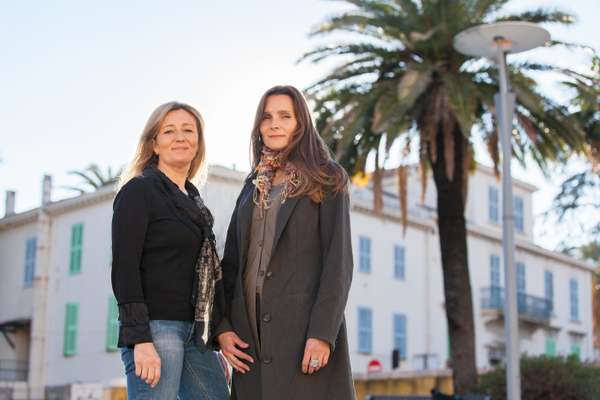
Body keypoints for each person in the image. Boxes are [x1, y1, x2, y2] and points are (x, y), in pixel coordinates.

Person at [216, 85, 356, 400]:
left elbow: (339, 262)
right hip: (249, 340)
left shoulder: (327, 177)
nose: (274, 124)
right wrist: (223, 327)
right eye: (266, 117)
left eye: (284, 116)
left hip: (303, 336)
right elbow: (232, 263)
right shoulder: (251, 185)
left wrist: (321, 334)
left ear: (300, 124)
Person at [111, 102, 229, 400]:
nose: (180, 137)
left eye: (188, 130)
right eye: (169, 131)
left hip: (195, 334)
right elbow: (124, 269)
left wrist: (214, 342)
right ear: (155, 143)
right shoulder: (138, 191)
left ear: (198, 143)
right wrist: (140, 339)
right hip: (155, 329)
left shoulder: (195, 203)